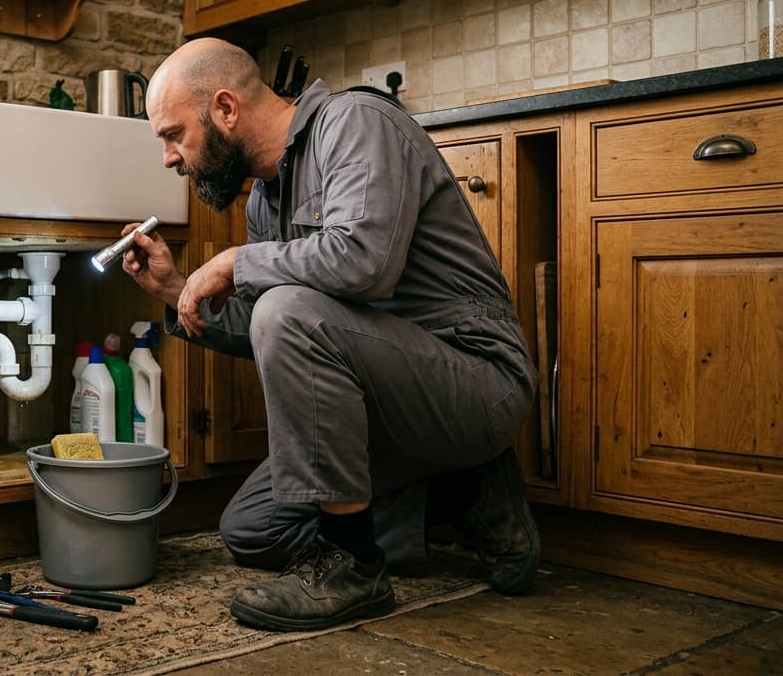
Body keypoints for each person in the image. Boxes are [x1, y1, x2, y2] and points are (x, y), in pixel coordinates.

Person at [118, 37, 541, 632]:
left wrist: (235, 263)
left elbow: (363, 261)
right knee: (253, 530)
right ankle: (465, 491)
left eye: (172, 134)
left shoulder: (356, 123)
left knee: (286, 309)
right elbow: (270, 329)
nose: (169, 157)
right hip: (385, 414)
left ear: (225, 109)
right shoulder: (266, 196)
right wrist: (174, 287)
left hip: (476, 384)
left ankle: (354, 562)